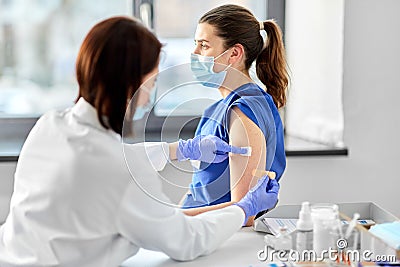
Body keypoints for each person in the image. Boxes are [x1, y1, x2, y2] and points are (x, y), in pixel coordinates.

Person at [0, 16, 280, 266]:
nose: (150, 93)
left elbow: (108, 158)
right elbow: (188, 240)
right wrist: (244, 207)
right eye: (152, 81)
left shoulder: (49, 126)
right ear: (132, 84)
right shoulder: (123, 174)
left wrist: (180, 150)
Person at [180, 4, 289, 226]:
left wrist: (171, 219)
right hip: (194, 231)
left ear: (234, 53)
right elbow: (197, 191)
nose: (194, 54)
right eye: (195, 44)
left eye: (204, 45)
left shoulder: (243, 110)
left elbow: (244, 211)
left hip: (219, 237)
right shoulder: (217, 109)